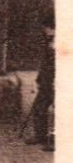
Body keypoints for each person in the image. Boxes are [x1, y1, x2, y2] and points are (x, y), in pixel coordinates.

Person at [25, 10, 55, 152]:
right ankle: (40, 135)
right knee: (39, 107)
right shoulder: (48, 41)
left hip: (60, 82)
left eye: (48, 28)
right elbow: (45, 64)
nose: (45, 31)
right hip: (47, 81)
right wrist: (40, 79)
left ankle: (57, 141)